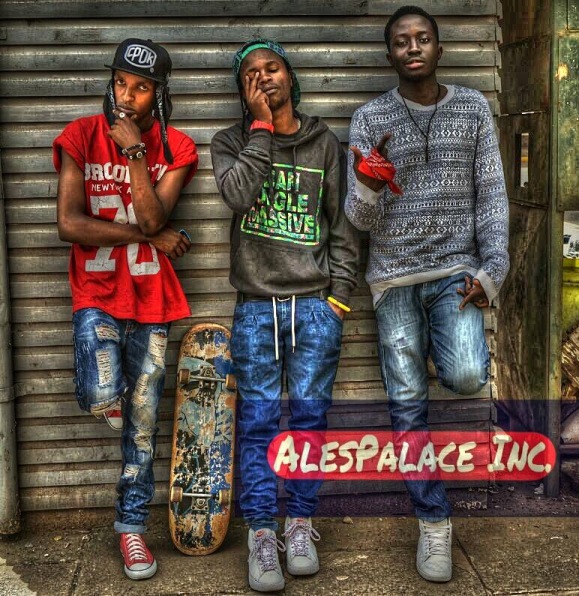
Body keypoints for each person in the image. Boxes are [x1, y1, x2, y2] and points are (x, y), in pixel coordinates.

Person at [345, 5, 509, 583]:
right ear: (389, 54)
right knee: (408, 402)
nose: (412, 48)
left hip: (455, 273)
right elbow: (358, 220)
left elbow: (492, 194)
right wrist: (368, 183)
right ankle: (434, 522)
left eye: (422, 39)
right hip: (393, 279)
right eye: (401, 41)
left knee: (466, 375)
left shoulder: (473, 108)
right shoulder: (369, 118)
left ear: (439, 48)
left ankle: (442, 342)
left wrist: (492, 271)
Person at [210, 39, 360, 592]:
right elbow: (238, 195)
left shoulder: (324, 144)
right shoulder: (229, 142)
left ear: (290, 76)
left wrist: (338, 299)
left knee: (309, 422)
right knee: (257, 424)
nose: (262, 79)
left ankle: (298, 525)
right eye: (249, 74)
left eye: (271, 68)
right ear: (242, 91)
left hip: (315, 307)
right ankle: (261, 534)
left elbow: (342, 226)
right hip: (255, 309)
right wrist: (261, 128)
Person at [53, 38, 198, 581]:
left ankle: (132, 529)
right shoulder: (80, 135)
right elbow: (69, 224)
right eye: (120, 83)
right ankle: (108, 400)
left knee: (141, 429)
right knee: (100, 393)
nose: (126, 96)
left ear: (159, 94)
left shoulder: (176, 147)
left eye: (140, 88)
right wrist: (148, 238)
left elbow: (154, 217)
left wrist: (137, 152)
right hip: (96, 293)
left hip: (151, 301)